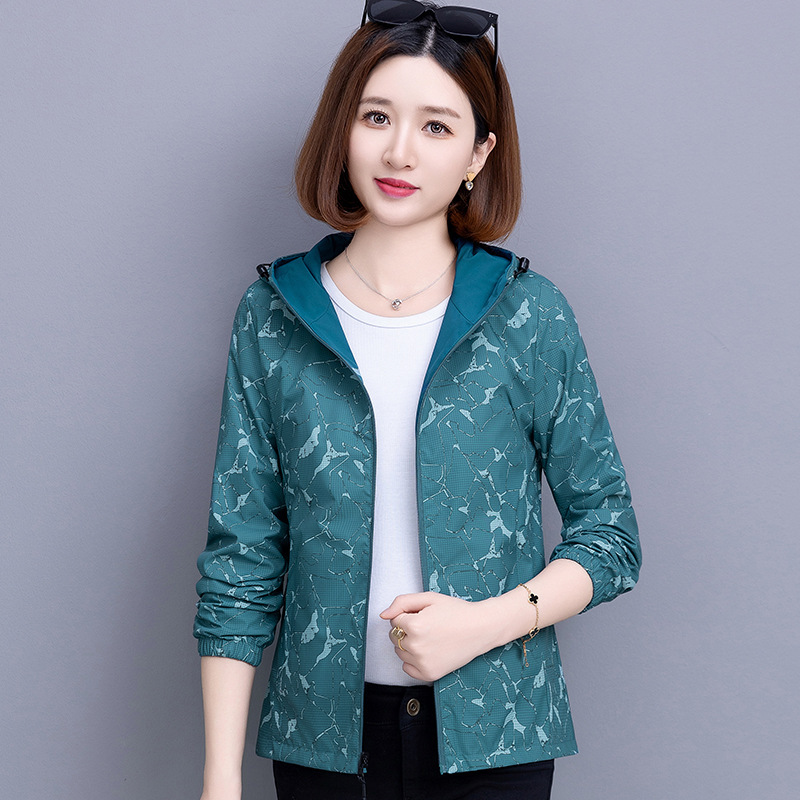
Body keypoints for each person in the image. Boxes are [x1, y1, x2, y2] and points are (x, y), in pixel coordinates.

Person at [194, 2, 641, 799]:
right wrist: (220, 779)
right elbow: (242, 557)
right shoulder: (273, 315)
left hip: (494, 740)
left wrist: (482, 625)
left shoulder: (527, 315)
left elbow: (611, 536)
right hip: (323, 747)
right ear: (343, 127)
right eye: (377, 116)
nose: (399, 150)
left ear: (479, 152)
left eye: (437, 126)